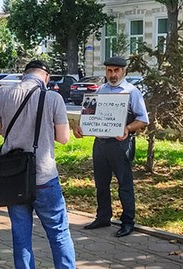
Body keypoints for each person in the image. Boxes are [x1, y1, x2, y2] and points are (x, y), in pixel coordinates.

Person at [0, 60, 76, 269]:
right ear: (46, 77)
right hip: (44, 175)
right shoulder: (53, 98)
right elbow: (63, 138)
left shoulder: (2, 94)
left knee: (20, 236)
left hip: (14, 176)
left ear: (24, 75)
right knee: (58, 233)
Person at [73, 56, 148, 237]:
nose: (112, 74)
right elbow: (90, 115)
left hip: (120, 144)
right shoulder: (100, 91)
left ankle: (128, 222)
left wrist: (128, 128)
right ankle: (103, 217)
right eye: (109, 71)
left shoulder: (132, 92)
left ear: (124, 71)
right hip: (100, 144)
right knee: (101, 184)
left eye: (116, 71)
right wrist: (81, 128)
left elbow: (143, 120)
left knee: (125, 184)